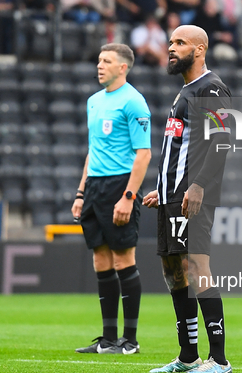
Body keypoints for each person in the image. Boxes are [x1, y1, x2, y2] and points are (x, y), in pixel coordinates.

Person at [143, 25, 232, 373]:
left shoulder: (211, 88)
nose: (171, 48)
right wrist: (162, 188)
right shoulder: (185, 92)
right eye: (170, 42)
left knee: (197, 267)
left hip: (193, 196)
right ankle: (188, 355)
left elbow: (221, 141)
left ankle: (220, 359)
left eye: (180, 43)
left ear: (201, 48)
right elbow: (179, 150)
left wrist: (198, 186)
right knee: (173, 272)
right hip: (172, 195)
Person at [72, 43, 152, 355]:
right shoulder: (94, 101)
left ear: (123, 67)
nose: (100, 65)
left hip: (120, 186)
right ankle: (107, 340)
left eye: (106, 61)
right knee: (101, 259)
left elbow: (143, 154)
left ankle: (129, 341)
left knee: (123, 260)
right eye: (98, 60)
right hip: (94, 188)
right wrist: (81, 192)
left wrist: (128, 197)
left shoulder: (134, 102)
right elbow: (92, 152)